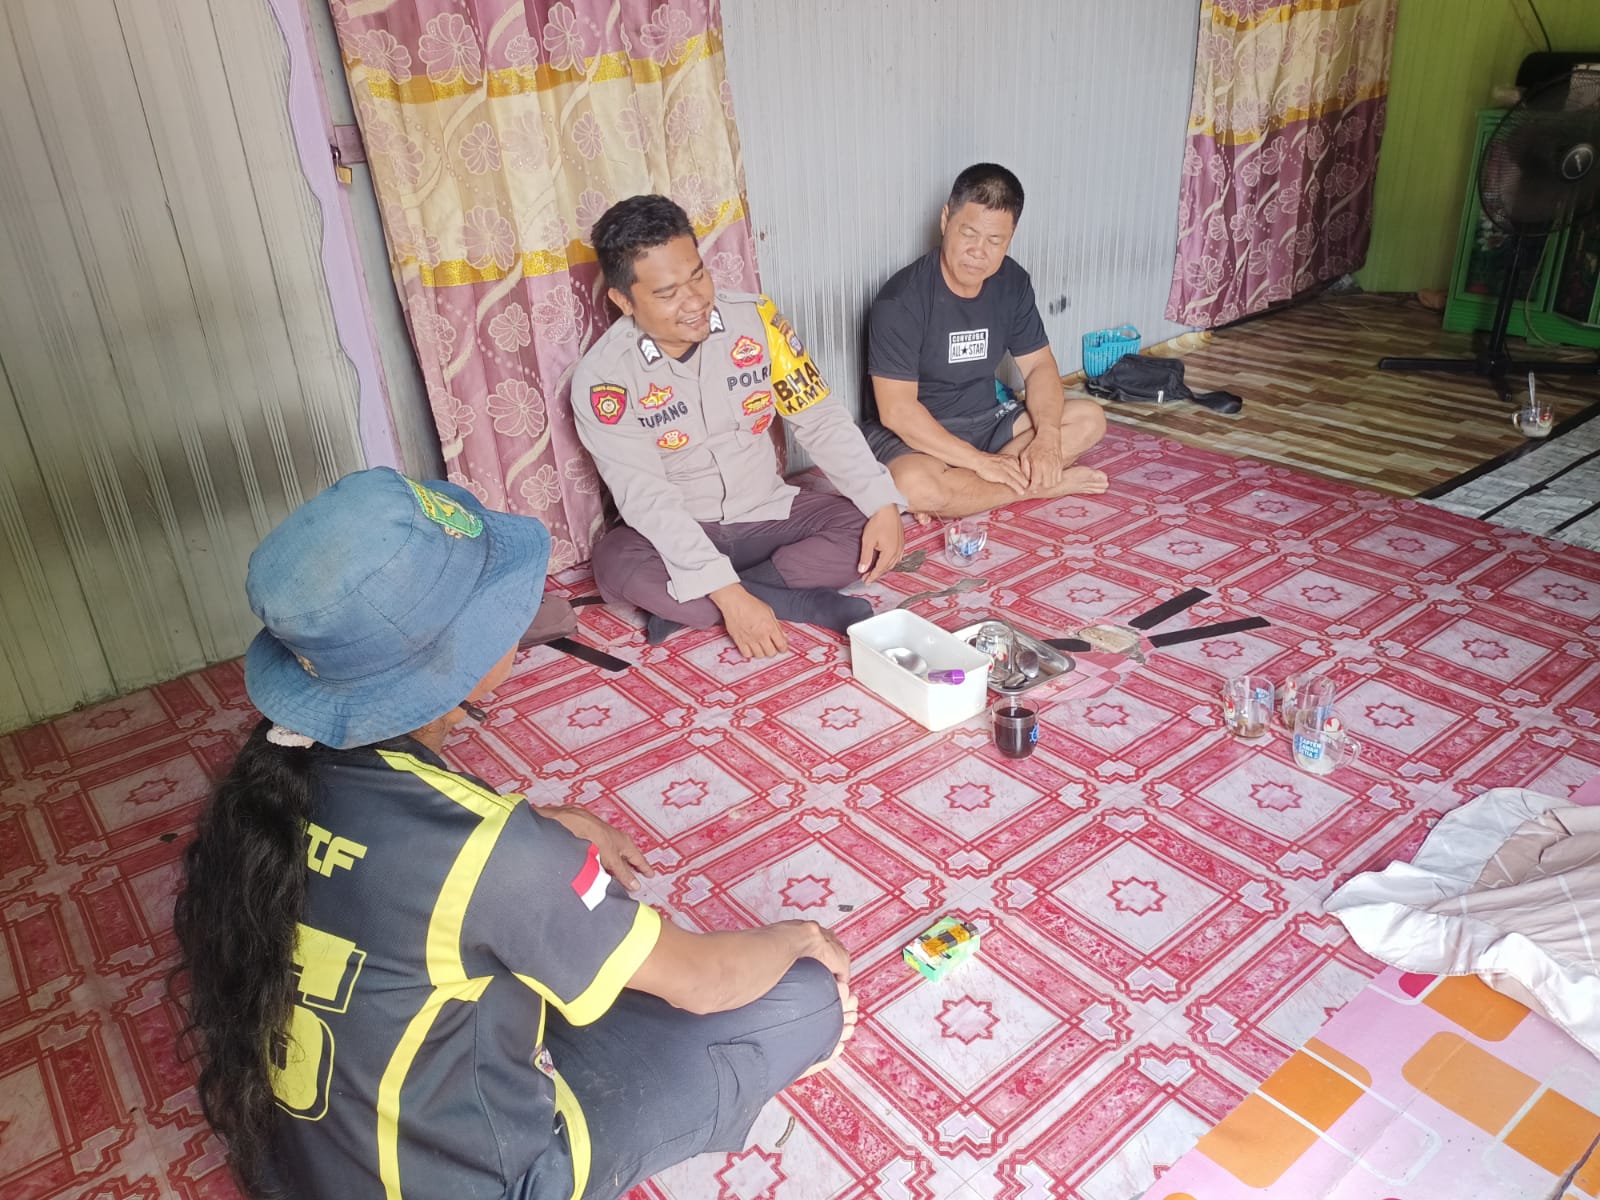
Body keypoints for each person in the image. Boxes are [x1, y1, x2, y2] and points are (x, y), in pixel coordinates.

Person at [171, 467, 856, 1200]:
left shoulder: (274, 778)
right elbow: (703, 982)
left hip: (298, 1172)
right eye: (497, 605)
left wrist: (546, 829)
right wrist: (799, 936)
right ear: (452, 661)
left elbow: (411, 871)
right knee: (806, 1000)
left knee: (544, 960)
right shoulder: (501, 857)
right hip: (494, 1185)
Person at [573, 195, 907, 660]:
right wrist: (730, 597)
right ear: (623, 300)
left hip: (767, 511)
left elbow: (819, 416)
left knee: (864, 527)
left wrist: (882, 504)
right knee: (618, 564)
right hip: (679, 530)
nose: (694, 302)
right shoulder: (604, 378)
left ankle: (699, 602)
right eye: (667, 294)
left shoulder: (757, 321)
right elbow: (645, 497)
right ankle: (798, 600)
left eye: (698, 276)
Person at [861, 163, 1109, 518]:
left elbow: (1038, 366)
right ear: (945, 220)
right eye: (969, 233)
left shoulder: (1012, 283)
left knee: (1088, 419)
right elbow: (898, 412)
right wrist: (980, 463)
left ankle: (970, 494)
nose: (979, 251)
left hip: (988, 420)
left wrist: (1046, 440)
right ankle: (1040, 487)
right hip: (919, 437)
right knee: (914, 486)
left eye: (995, 241)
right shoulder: (901, 300)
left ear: (1011, 237)